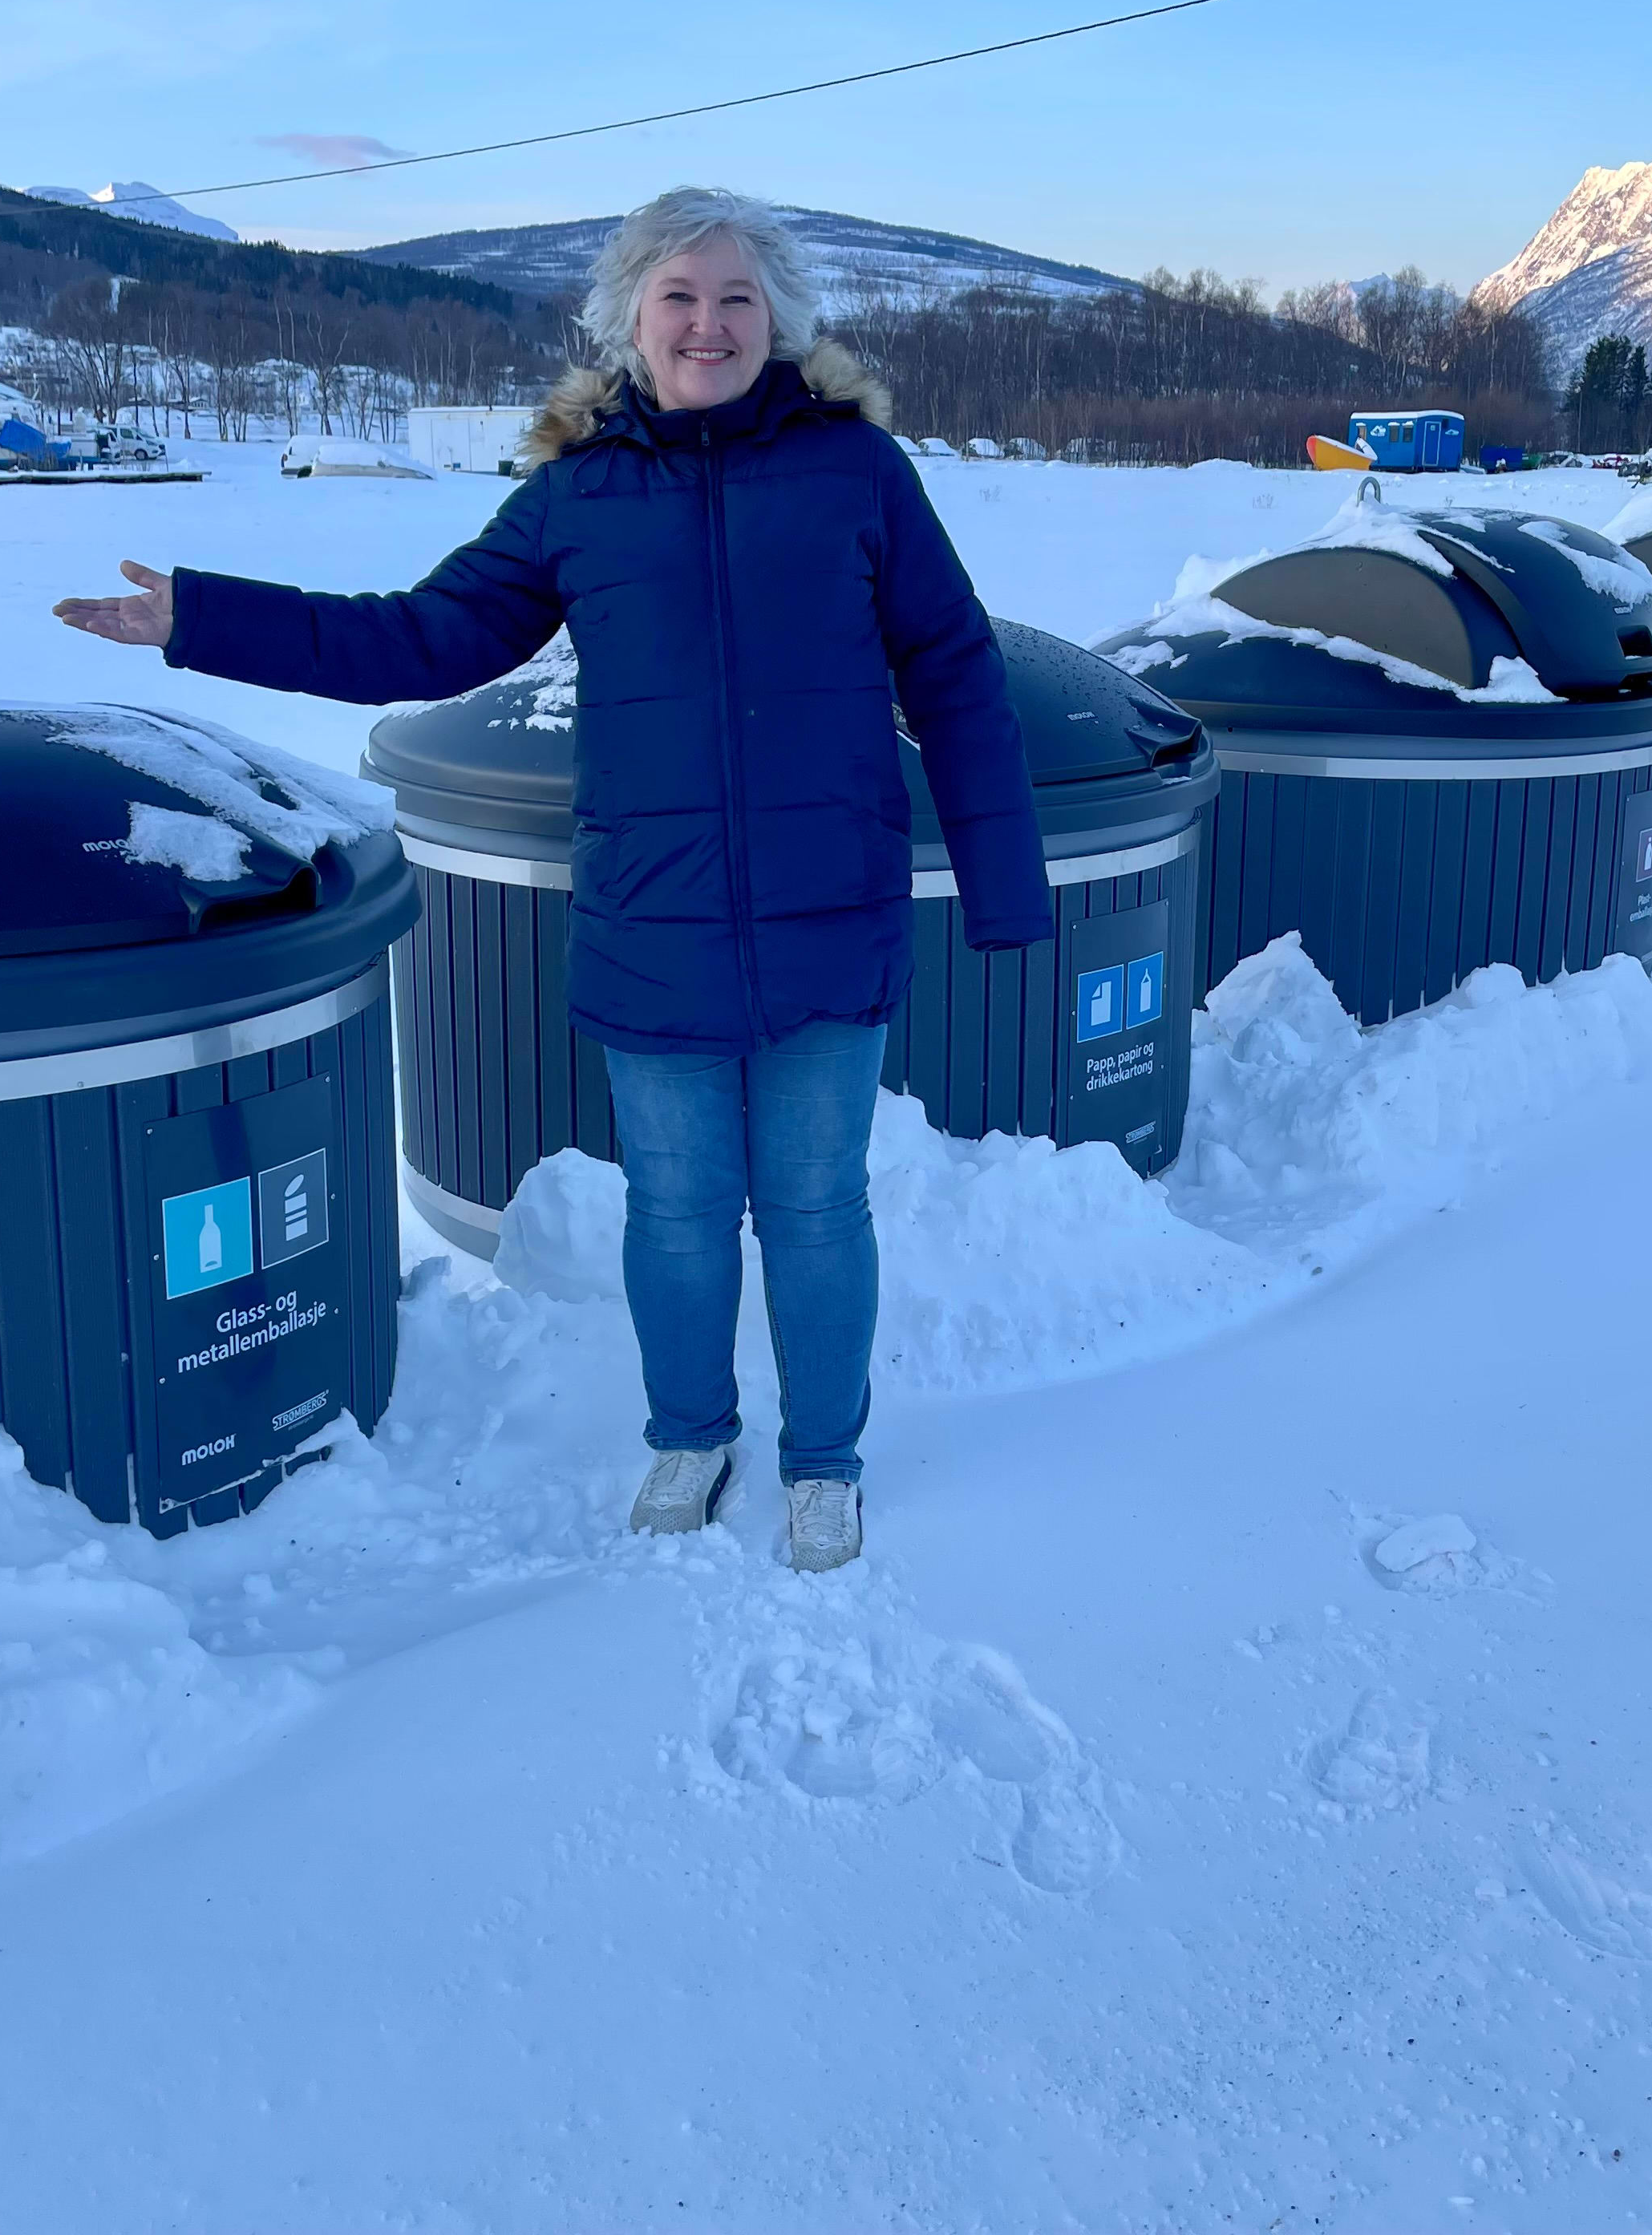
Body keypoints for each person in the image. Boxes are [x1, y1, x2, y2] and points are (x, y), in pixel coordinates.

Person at [55, 186, 1049, 1573]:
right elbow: (421, 639)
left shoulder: (857, 472)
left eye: (737, 298)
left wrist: (1005, 884)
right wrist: (205, 619)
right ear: (631, 320)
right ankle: (689, 1435)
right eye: (679, 297)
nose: (708, 325)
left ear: (777, 321)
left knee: (819, 1209)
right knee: (678, 1212)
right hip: (654, 917)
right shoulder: (578, 494)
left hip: (831, 912)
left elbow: (955, 670)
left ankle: (825, 1461)